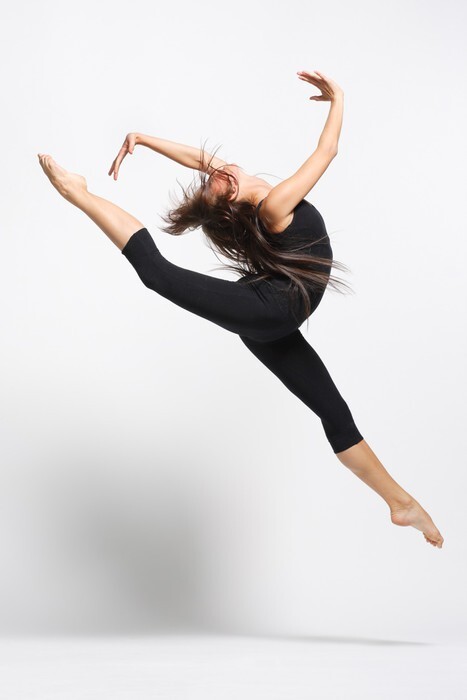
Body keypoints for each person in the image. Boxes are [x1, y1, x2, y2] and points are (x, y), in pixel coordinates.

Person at [37, 69, 443, 548]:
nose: (212, 173)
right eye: (213, 181)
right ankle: (78, 193)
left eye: (211, 176)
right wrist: (338, 99)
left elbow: (198, 158)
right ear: (229, 193)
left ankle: (400, 503)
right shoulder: (274, 206)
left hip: (270, 314)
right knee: (158, 275)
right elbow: (327, 151)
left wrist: (143, 138)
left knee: (334, 414)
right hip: (270, 309)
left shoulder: (233, 178)